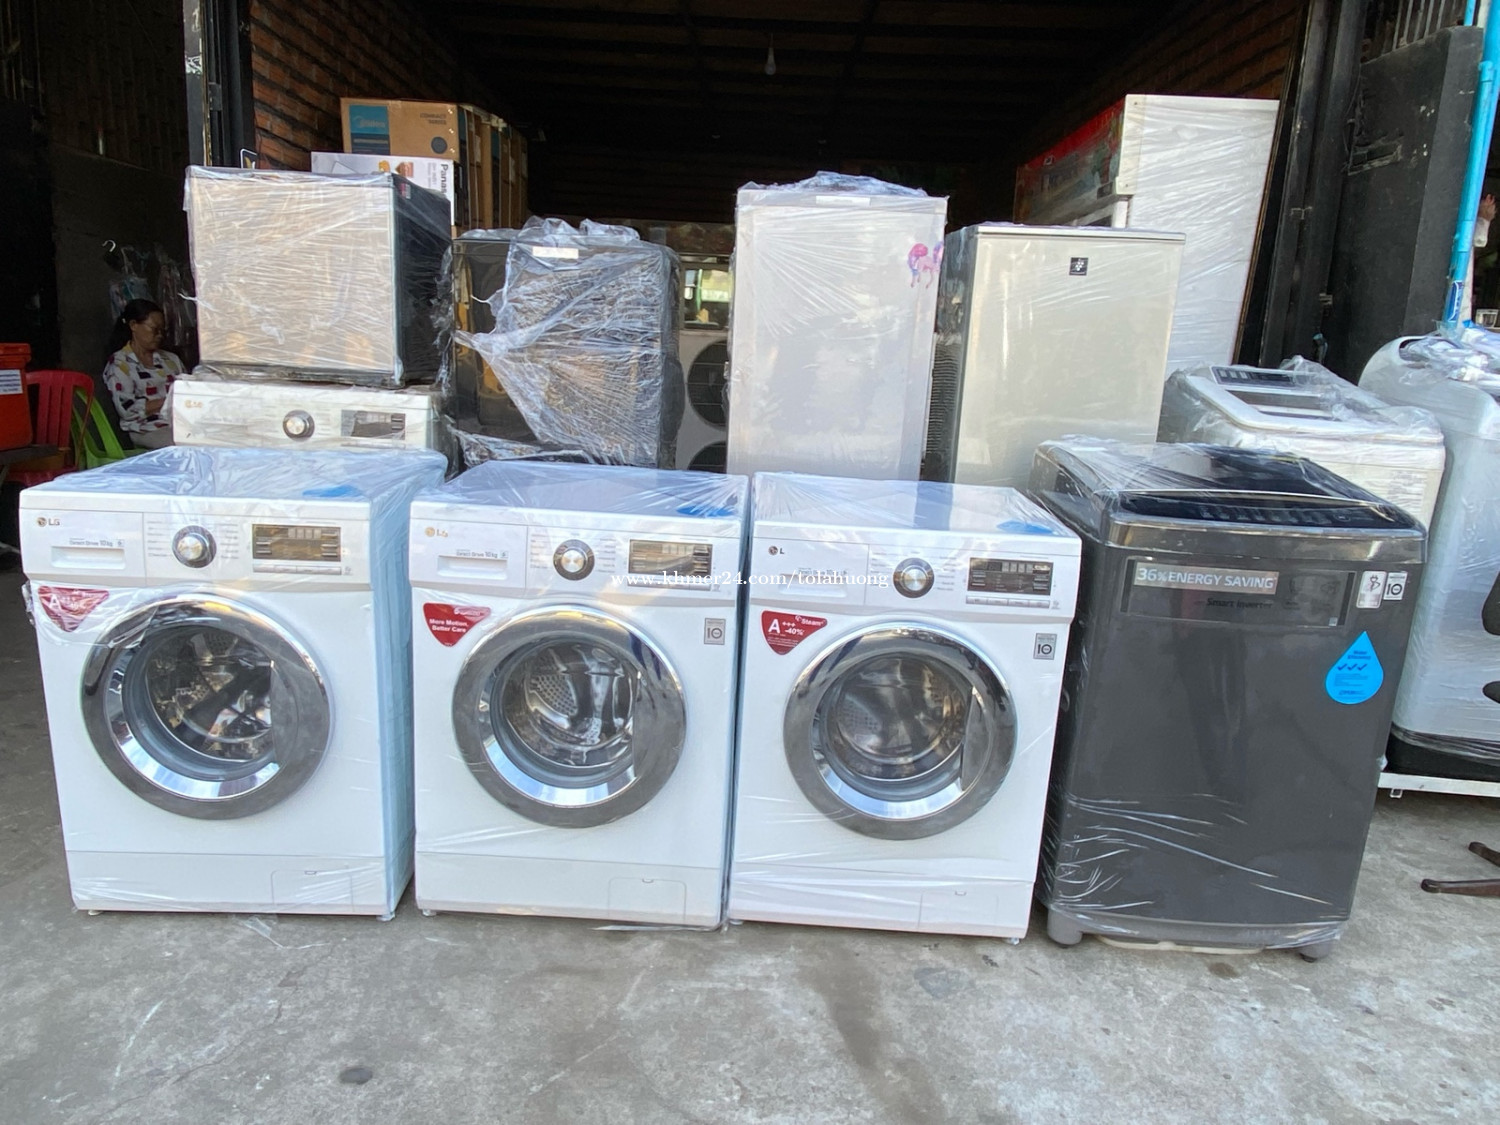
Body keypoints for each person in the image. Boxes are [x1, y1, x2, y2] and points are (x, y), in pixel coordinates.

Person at [103, 298, 181, 449]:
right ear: (133, 325)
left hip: (178, 423)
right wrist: (169, 400)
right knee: (184, 444)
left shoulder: (171, 359)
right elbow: (128, 410)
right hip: (146, 428)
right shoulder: (120, 364)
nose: (160, 335)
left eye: (162, 330)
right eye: (154, 329)